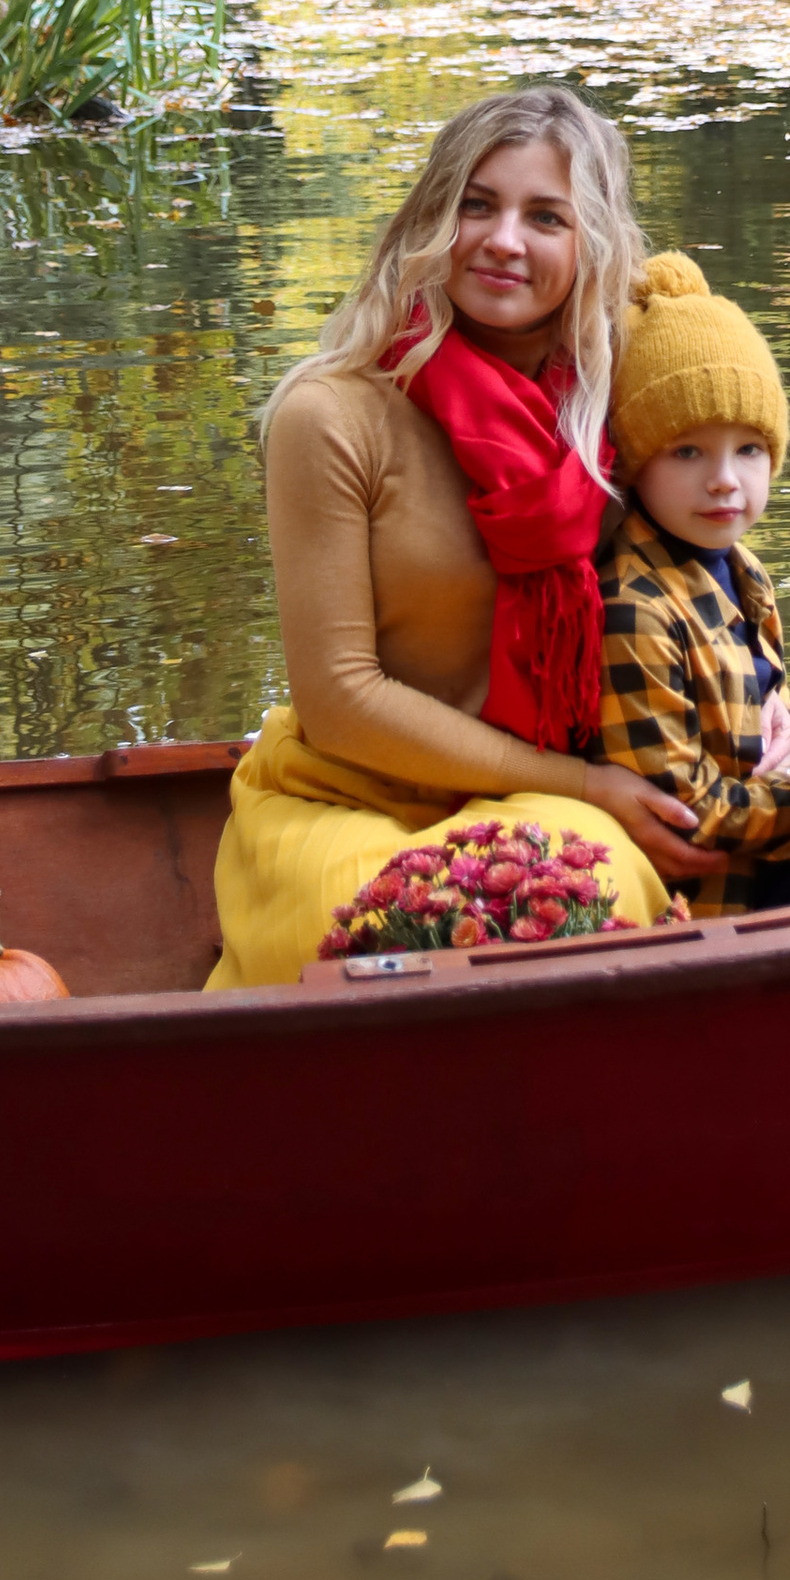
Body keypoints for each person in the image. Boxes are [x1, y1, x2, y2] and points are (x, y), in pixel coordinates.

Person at [208, 84, 707, 990]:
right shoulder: (331, 414)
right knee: (432, 921)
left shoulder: (621, 408)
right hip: (347, 799)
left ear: (591, 244)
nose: (503, 240)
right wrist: (583, 787)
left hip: (547, 794)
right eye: (477, 204)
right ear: (431, 219)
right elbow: (341, 701)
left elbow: (709, 575)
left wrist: (763, 714)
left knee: (579, 896)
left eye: (545, 216)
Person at [593, 254, 790, 915]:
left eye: (749, 449)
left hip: (777, 848)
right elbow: (685, 810)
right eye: (687, 451)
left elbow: (771, 712)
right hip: (716, 902)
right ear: (635, 462)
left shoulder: (744, 570)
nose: (725, 478)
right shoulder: (632, 608)